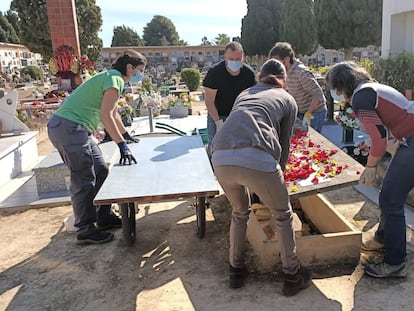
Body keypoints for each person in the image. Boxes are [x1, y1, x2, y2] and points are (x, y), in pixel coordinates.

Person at [211, 59, 312, 296]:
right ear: (282, 79)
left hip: (221, 156)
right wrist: (279, 176)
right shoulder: (287, 98)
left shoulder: (244, 93)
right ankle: (292, 275)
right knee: (283, 215)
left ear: (260, 76)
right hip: (257, 157)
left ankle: (235, 270)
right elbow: (283, 142)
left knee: (239, 212)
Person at [47, 50, 147, 245]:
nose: (140, 75)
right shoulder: (116, 79)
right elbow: (105, 115)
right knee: (84, 180)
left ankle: (104, 216)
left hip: (76, 129)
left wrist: (125, 135)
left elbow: (114, 113)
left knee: (101, 170)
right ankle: (84, 229)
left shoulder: (111, 78)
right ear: (130, 67)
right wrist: (122, 145)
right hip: (70, 128)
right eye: (140, 70)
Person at [325, 61, 414, 278]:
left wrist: (371, 167)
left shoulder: (360, 97)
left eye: (334, 89)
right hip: (409, 139)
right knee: (390, 194)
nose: (336, 94)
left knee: (390, 199)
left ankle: (394, 263)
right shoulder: (371, 89)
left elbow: (378, 137)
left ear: (340, 85)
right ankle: (383, 239)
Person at [202, 41, 256, 154]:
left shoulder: (249, 74)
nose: (234, 62)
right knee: (216, 147)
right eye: (231, 59)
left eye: (238, 59)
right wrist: (218, 122)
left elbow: (252, 99)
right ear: (225, 57)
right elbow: (209, 101)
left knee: (240, 147)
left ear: (243, 57)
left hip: (240, 116)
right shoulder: (214, 73)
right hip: (217, 114)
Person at [269, 42, 327, 133]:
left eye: (277, 62)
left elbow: (318, 95)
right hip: (300, 111)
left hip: (315, 112)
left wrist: (308, 114)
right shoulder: (283, 72)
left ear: (287, 60)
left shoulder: (301, 73)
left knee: (312, 139)